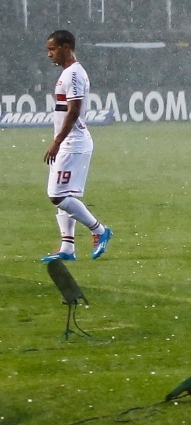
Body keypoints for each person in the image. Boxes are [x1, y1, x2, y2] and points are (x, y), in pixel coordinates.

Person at [39, 29, 111, 262]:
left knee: (57, 195)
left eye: (52, 49)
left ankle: (99, 230)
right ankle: (67, 248)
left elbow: (74, 111)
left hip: (73, 143)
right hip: (68, 142)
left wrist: (57, 142)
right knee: (65, 194)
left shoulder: (73, 74)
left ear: (66, 47)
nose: (49, 54)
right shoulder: (68, 73)